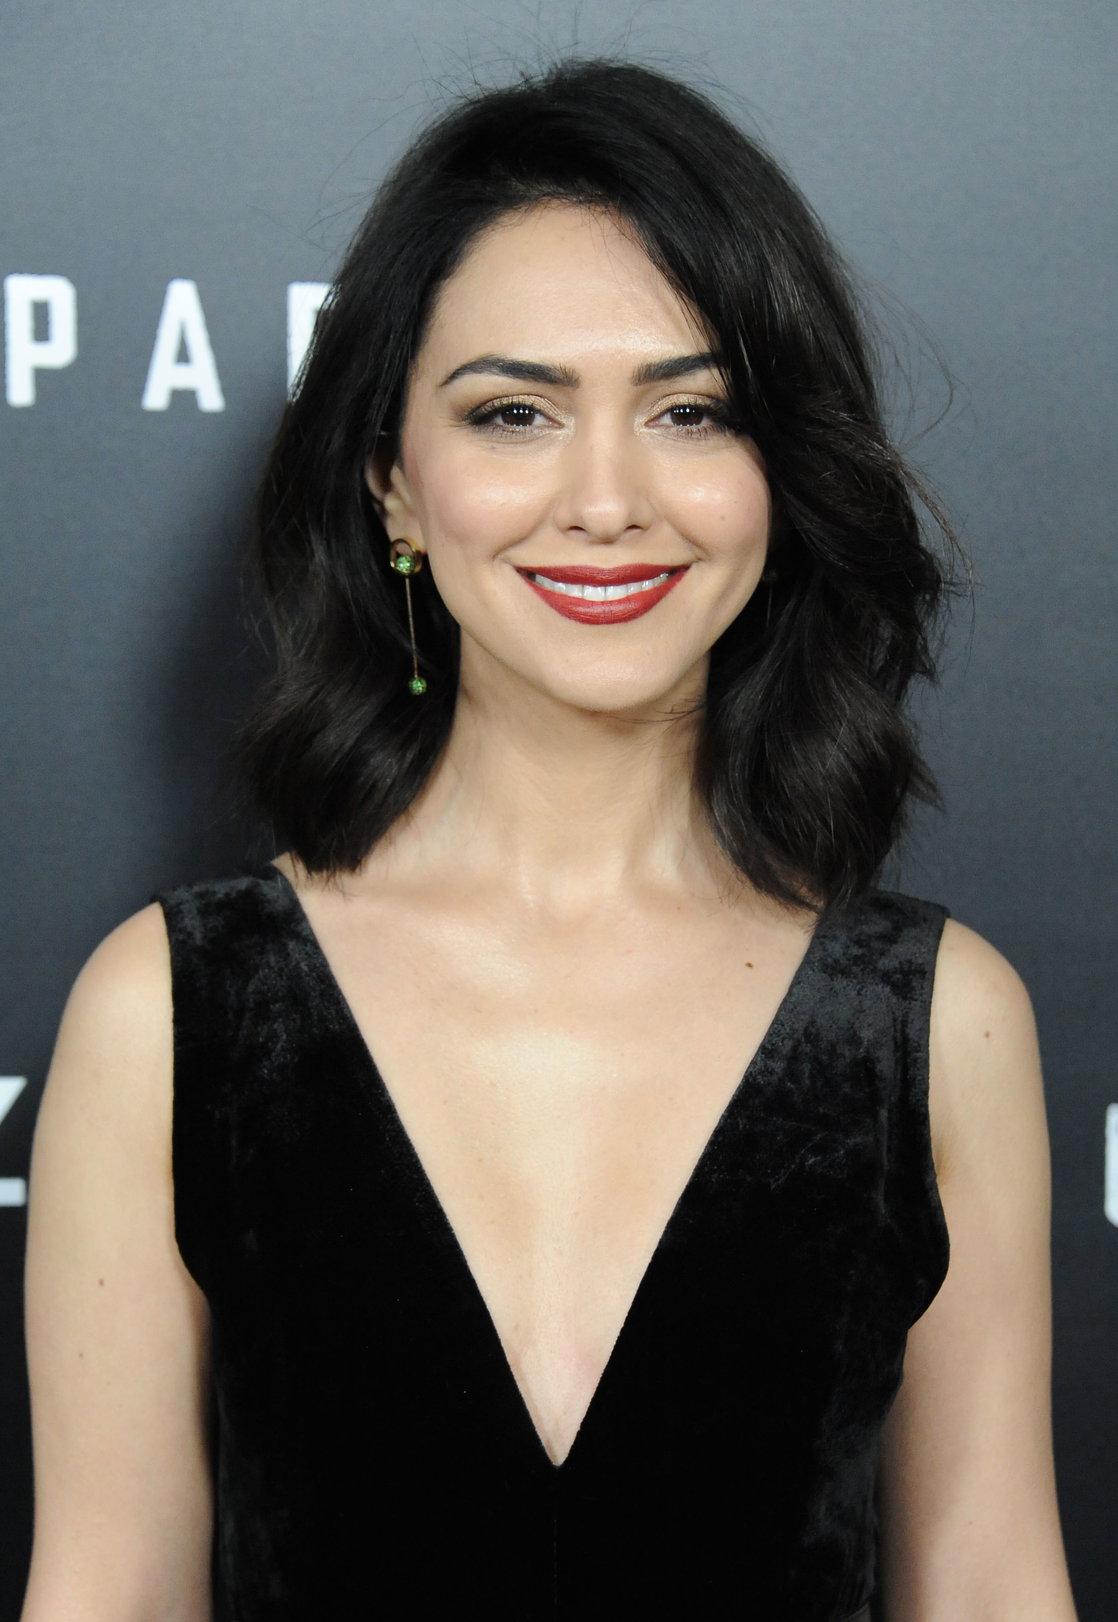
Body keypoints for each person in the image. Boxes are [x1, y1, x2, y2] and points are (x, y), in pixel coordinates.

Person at [21, 55, 1078, 1622]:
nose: (603, 498)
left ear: (776, 474)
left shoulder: (933, 1026)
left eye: (689, 411)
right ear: (393, 483)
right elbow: (105, 1589)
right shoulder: (172, 1015)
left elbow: (990, 1583)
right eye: (512, 412)